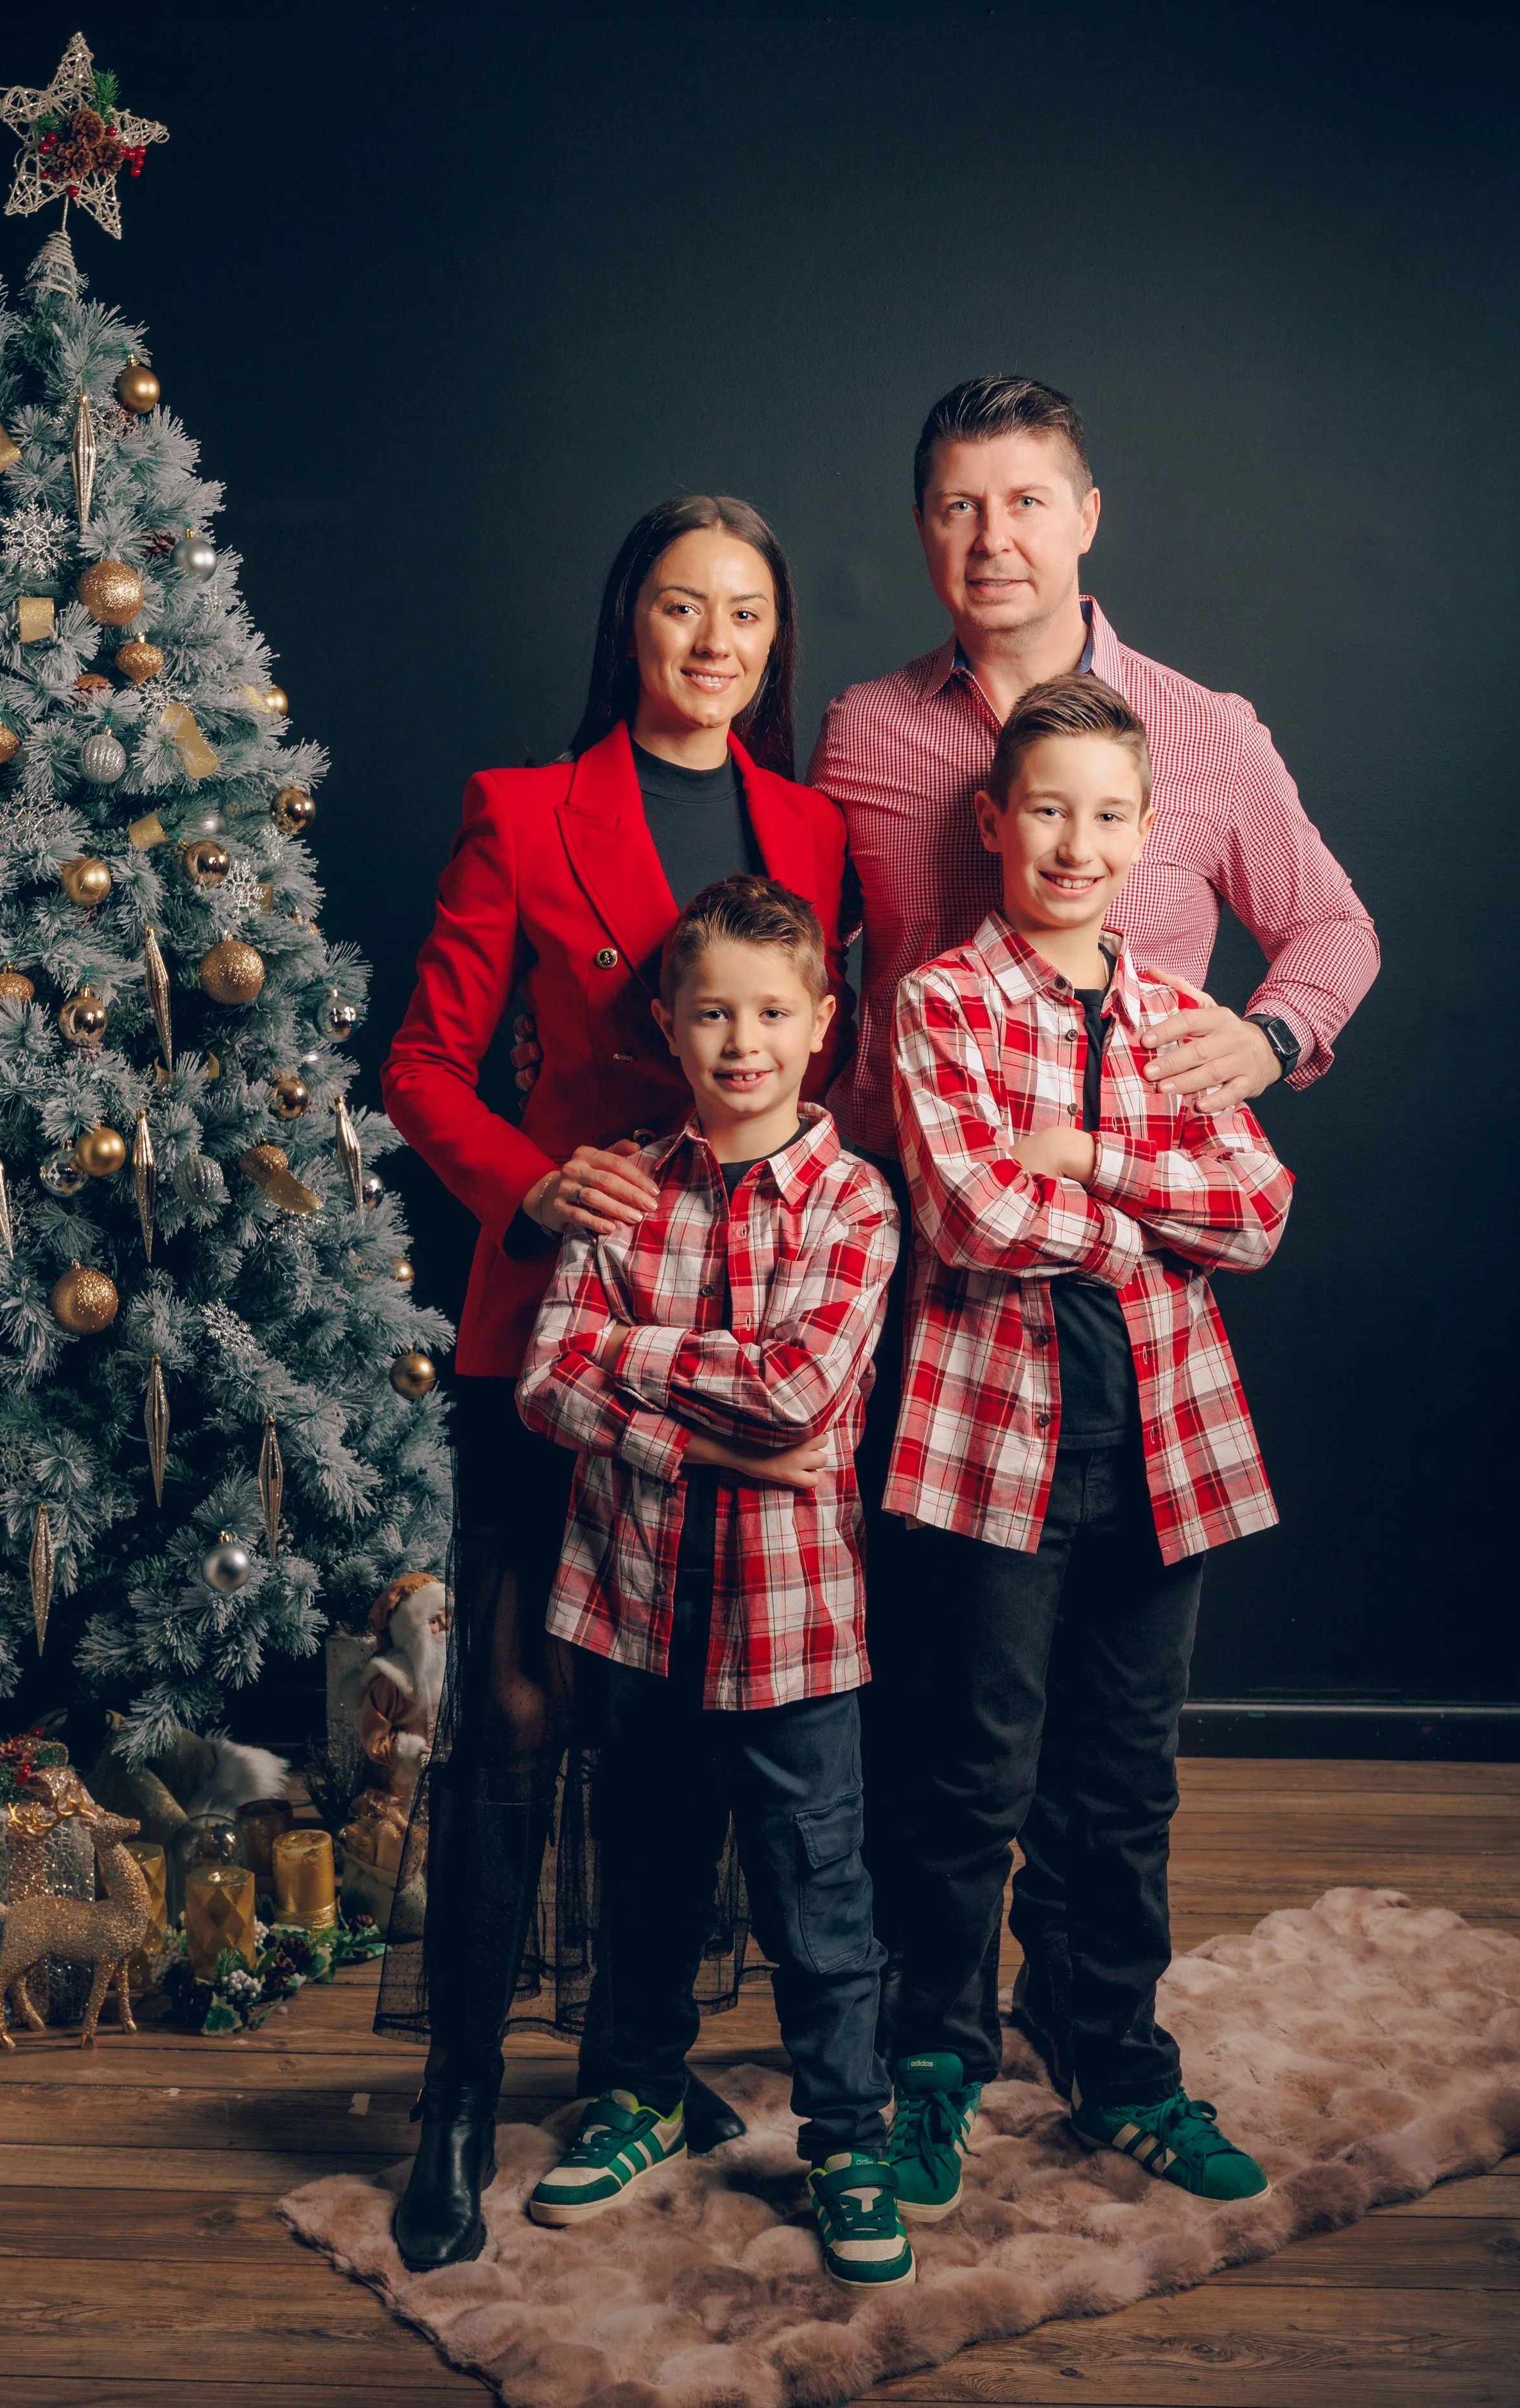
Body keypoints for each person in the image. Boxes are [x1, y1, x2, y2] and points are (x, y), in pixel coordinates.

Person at [807, 374, 1378, 2082]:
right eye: (957, 506)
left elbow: (1328, 933)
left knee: (1117, 1730)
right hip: (929, 1278)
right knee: (954, 1713)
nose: (993, 537)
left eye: (1025, 500)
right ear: (923, 529)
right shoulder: (857, 732)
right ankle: (929, 2039)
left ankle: (1089, 2010)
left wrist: (1262, 1043)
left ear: (1086, 514)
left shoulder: (1204, 732)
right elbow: (814, 980)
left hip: (1142, 1296)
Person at [380, 497, 855, 2271]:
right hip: (552, 1317)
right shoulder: (521, 808)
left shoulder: (812, 826)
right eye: (680, 607)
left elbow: (830, 1045)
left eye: (744, 612)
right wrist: (526, 1176)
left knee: (696, 1701)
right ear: (631, 625)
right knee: (510, 1713)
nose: (713, 639)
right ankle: (451, 2100)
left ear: (772, 639)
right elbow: (425, 1061)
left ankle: (635, 2058)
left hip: (739, 1322)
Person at [880, 674, 1292, 2219]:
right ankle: (932, 2058)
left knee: (1121, 1782)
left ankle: (1111, 2051)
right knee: (968, 1774)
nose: (1073, 843)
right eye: (1045, 808)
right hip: (992, 1443)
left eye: (1106, 816)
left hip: (1163, 1444)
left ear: (1143, 836)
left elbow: (1256, 1213)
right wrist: (1137, 1225)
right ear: (993, 822)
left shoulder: (1184, 1020)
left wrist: (1087, 1156)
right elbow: (972, 1213)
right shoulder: (941, 1004)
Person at [515, 875, 909, 2289]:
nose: (739, 1042)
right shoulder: (620, 1186)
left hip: (794, 1628)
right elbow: (547, 1384)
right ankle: (634, 2097)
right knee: (648, 1873)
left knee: (818, 1894)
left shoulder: (854, 1201)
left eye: (768, 1013)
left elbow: (804, 1392)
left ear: (818, 1028)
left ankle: (847, 2135)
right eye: (710, 1015)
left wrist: (634, 1367)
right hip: (633, 1606)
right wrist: (715, 1453)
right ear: (671, 1031)